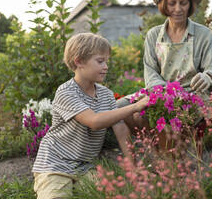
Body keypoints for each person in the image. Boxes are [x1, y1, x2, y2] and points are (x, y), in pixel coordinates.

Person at [32, 33, 148, 199]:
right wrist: (135, 106)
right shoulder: (66, 92)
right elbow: (94, 121)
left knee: (107, 194)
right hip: (55, 162)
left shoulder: (106, 95)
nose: (106, 66)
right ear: (79, 61)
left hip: (85, 166)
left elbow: (120, 129)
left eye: (106, 61)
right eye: (100, 61)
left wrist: (134, 167)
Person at [118, 0, 212, 131]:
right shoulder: (154, 35)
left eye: (183, 3)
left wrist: (208, 76)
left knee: (145, 116)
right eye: (172, 3)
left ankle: (165, 145)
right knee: (118, 106)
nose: (178, 9)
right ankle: (153, 143)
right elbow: (150, 70)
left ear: (190, 5)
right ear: (164, 6)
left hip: (191, 94)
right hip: (160, 92)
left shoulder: (203, 34)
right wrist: (163, 94)